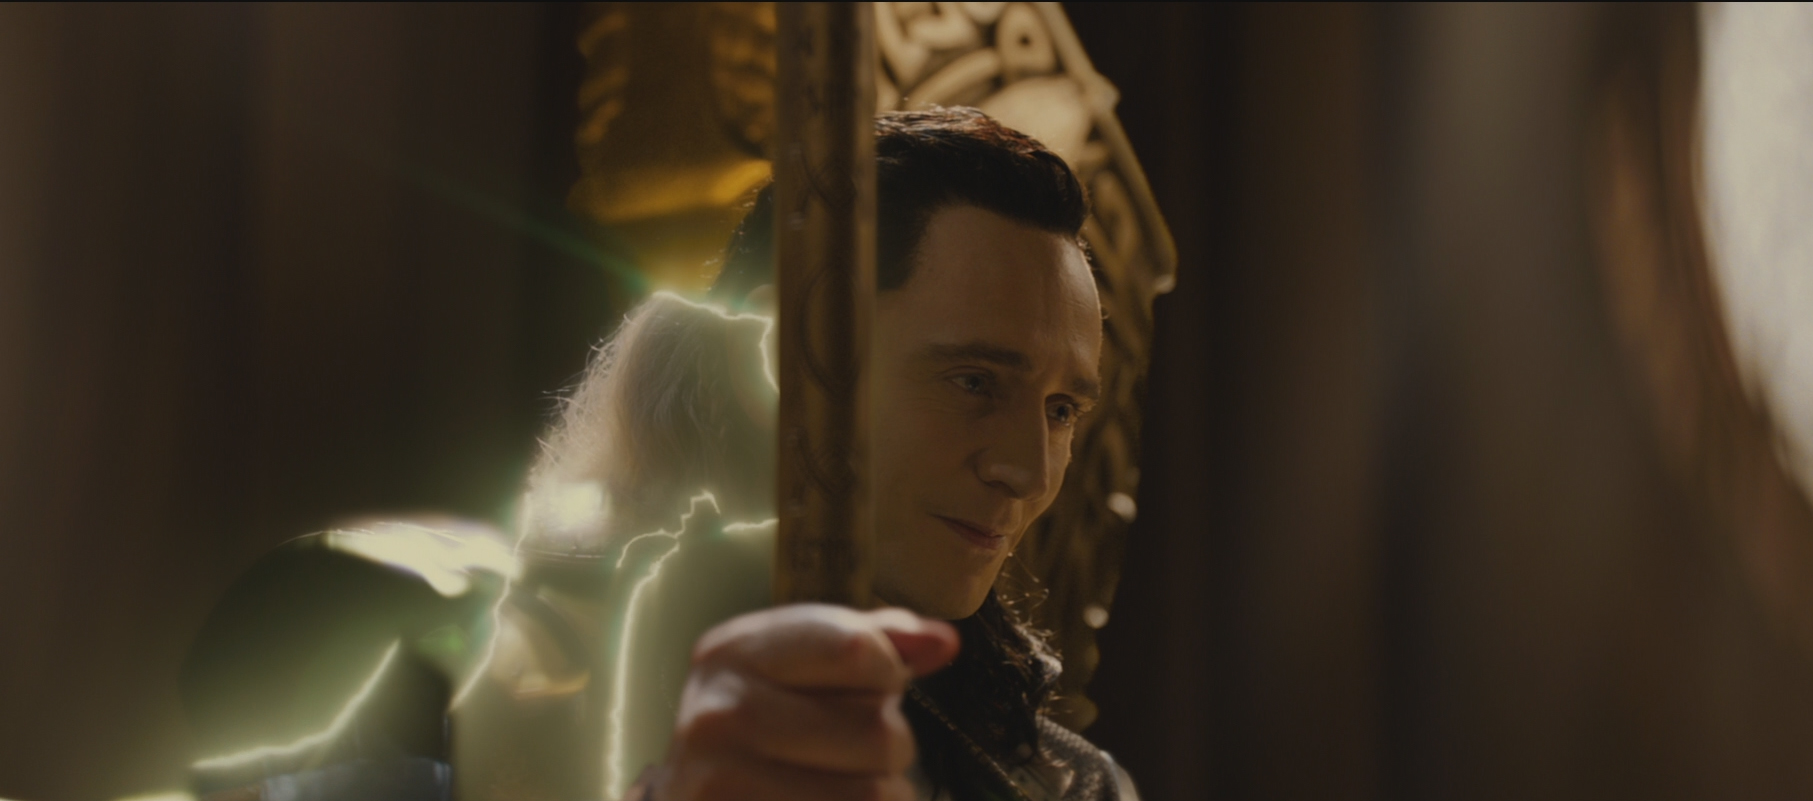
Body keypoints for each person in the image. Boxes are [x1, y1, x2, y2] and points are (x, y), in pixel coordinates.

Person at [180, 108, 1135, 801]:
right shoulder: (425, 659)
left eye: (1061, 409)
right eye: (973, 381)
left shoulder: (1066, 780)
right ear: (784, 356)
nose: (1028, 467)